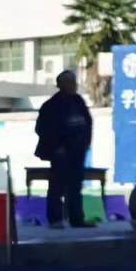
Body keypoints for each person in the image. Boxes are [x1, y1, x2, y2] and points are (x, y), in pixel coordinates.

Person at [34, 69, 92, 228]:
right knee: (57, 187)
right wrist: (57, 147)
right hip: (60, 153)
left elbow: (87, 122)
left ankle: (76, 218)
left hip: (78, 152)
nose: (74, 85)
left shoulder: (78, 101)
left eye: (74, 82)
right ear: (62, 84)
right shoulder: (51, 105)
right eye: (70, 82)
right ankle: (55, 219)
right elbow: (42, 129)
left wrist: (86, 143)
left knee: (75, 186)